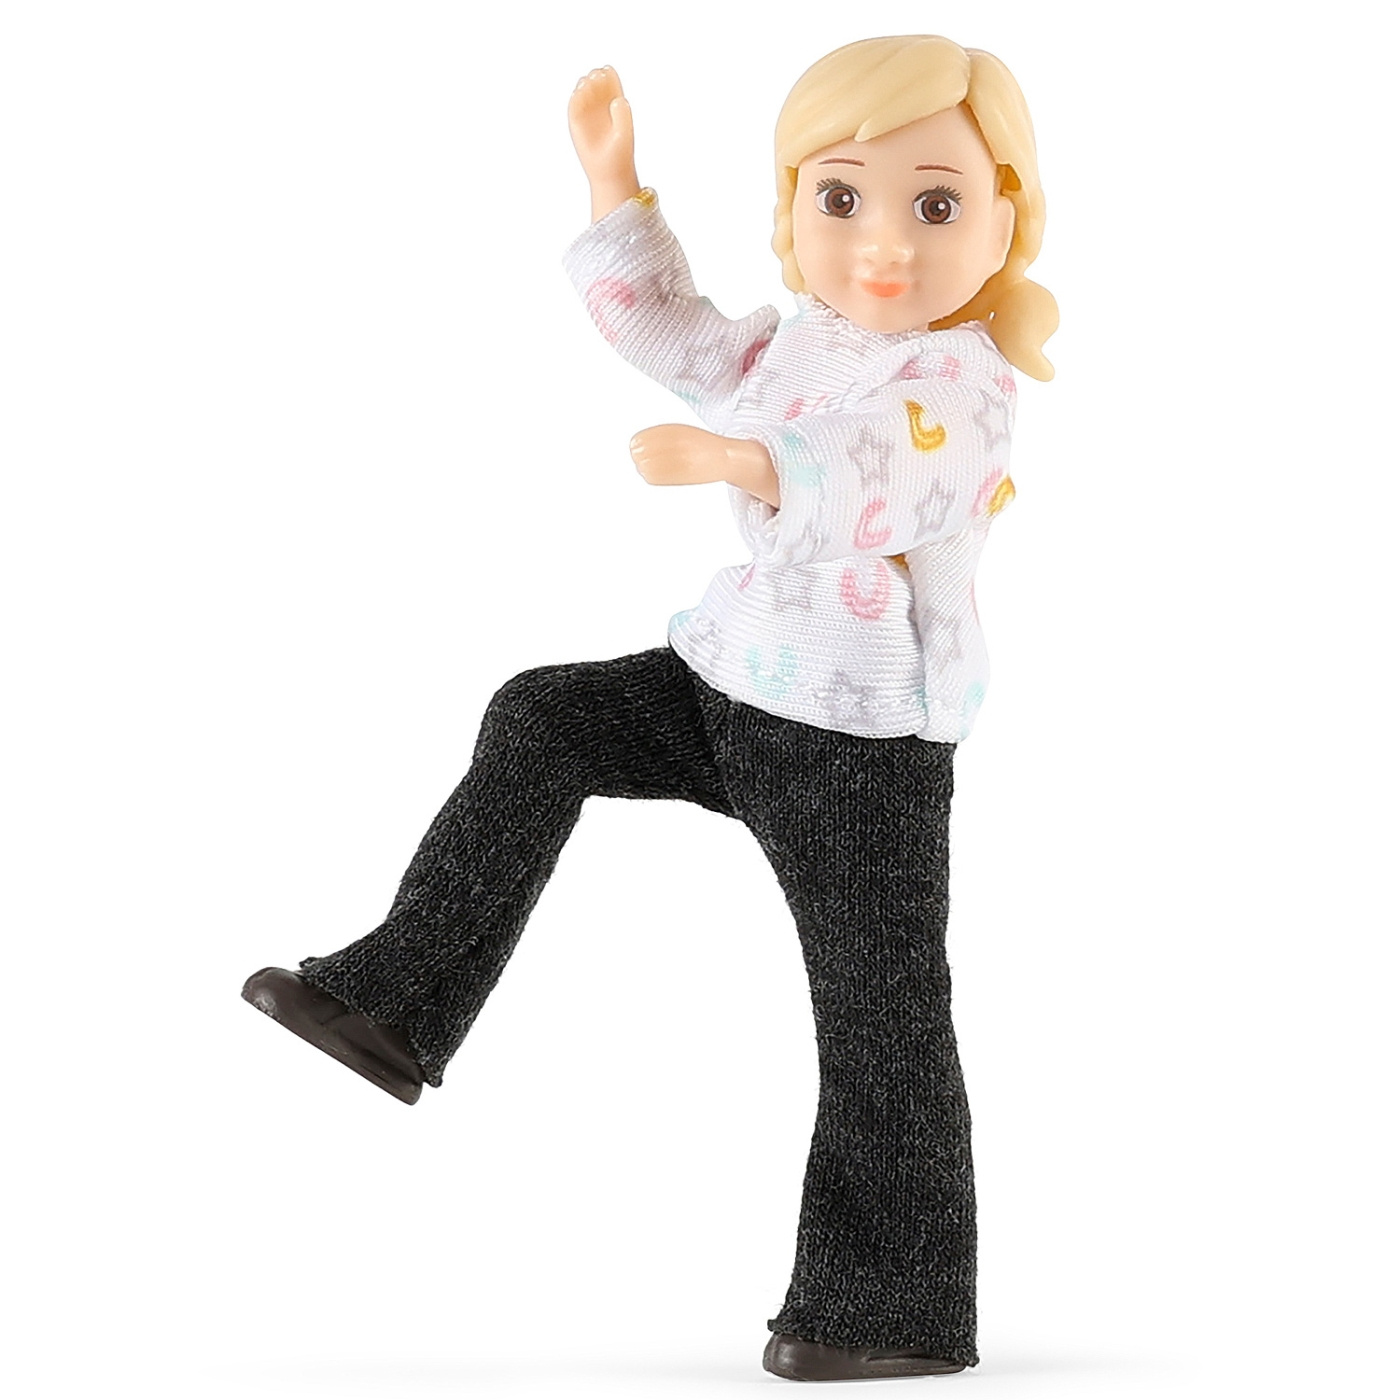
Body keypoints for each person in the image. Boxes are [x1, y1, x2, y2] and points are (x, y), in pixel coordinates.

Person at [242, 34, 1056, 1382]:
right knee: (544, 719)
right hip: (728, 683)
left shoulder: (961, 386)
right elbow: (680, 337)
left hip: (859, 745)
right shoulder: (799, 344)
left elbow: (889, 474)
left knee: (878, 1011)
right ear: (793, 208)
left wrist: (748, 458)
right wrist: (614, 189)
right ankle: (395, 1003)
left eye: (936, 203)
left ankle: (891, 1303)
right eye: (841, 197)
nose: (884, 245)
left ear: (1005, 218)